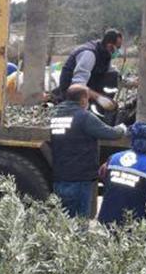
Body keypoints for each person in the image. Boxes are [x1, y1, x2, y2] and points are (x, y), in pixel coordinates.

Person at [50, 84, 127, 218]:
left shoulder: (55, 115)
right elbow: (111, 133)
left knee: (63, 222)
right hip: (79, 179)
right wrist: (122, 128)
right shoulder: (84, 117)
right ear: (83, 100)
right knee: (80, 223)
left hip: (60, 177)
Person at [51, 28, 124, 111]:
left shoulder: (104, 54)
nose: (118, 51)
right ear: (110, 45)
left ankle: (98, 109)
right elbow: (77, 85)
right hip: (71, 91)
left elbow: (110, 71)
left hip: (87, 86)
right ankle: (91, 110)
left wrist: (130, 82)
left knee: (113, 75)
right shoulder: (89, 54)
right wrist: (99, 98)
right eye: (117, 47)